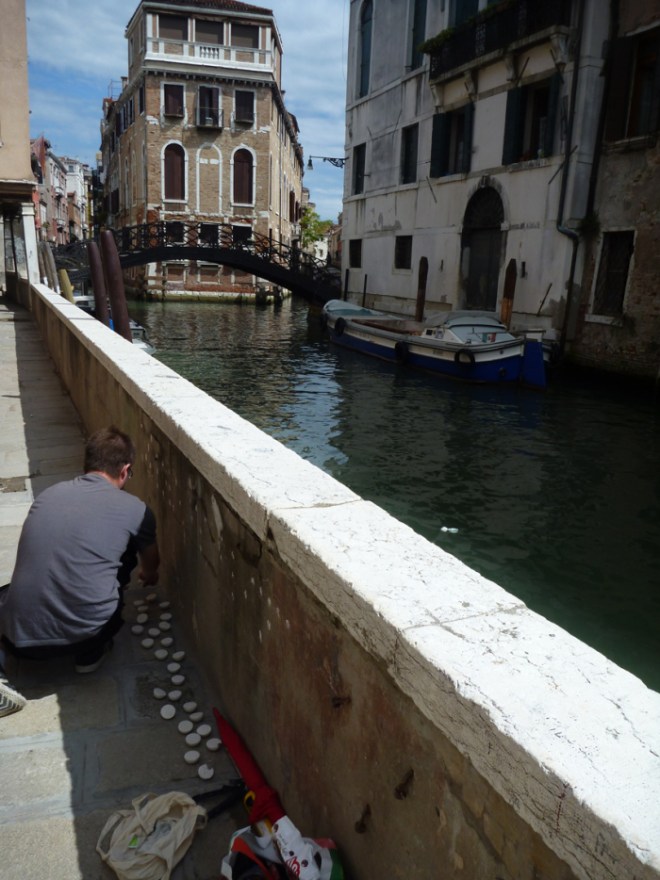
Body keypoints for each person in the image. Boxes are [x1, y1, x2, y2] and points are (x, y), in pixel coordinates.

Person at [0, 426, 160, 716]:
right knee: (125, 548)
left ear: (87, 464)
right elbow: (151, 562)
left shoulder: (49, 495)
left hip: (17, 642)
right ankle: (89, 655)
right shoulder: (136, 509)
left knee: (6, 593)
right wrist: (149, 575)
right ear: (125, 470)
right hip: (88, 634)